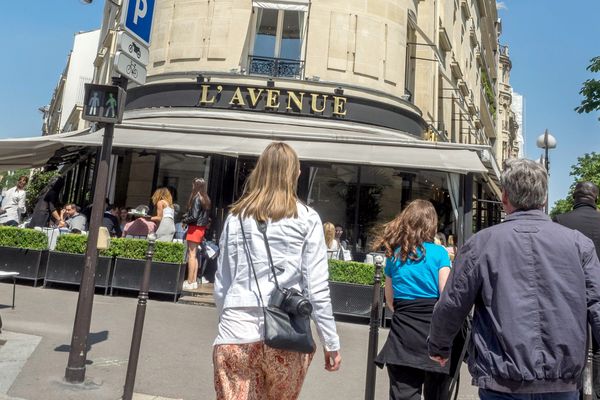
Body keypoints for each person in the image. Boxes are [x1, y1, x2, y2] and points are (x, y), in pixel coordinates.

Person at [428, 159, 600, 400]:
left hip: (502, 378)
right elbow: (598, 306)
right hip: (561, 379)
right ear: (544, 199)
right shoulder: (579, 245)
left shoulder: (481, 244)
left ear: (505, 197)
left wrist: (439, 346)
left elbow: (452, 303)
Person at [213, 142, 341, 400]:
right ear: (295, 174)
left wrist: (226, 321)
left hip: (236, 331)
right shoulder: (307, 218)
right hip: (286, 333)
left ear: (259, 172)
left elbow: (222, 282)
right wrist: (331, 342)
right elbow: (316, 288)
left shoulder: (236, 217)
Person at [371, 199, 452, 400]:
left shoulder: (395, 255)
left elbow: (390, 301)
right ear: (431, 224)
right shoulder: (439, 253)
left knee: (403, 394)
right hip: (434, 336)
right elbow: (446, 296)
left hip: (402, 337)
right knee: (437, 394)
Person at [554, 181, 600, 399]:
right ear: (595, 199)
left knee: (571, 341)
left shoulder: (560, 221)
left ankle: (574, 386)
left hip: (567, 295)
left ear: (574, 198)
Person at [182, 178, 211, 289]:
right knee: (195, 255)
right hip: (201, 228)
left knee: (191, 255)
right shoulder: (205, 198)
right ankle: (194, 280)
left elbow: (194, 216)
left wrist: (185, 220)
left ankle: (190, 281)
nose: (192, 186)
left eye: (193, 184)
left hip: (194, 228)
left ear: (195, 185)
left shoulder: (196, 198)